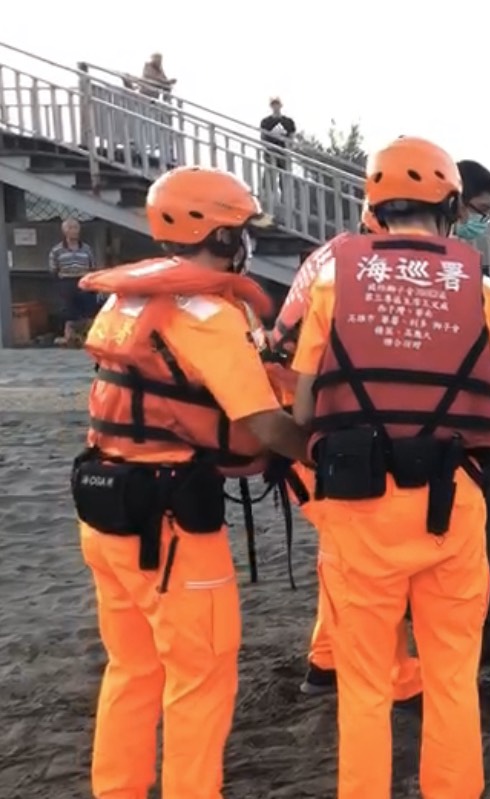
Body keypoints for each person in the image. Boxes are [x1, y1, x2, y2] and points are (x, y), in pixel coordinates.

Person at [71, 166, 309, 797]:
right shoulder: (207, 315)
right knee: (200, 678)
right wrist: (315, 452)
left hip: (105, 509)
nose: (248, 243)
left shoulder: (129, 299)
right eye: (243, 231)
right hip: (172, 526)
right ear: (223, 236)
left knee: (133, 668)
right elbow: (260, 422)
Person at [290, 135, 490, 798]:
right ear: (449, 203)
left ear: (374, 208)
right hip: (450, 502)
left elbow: (303, 409)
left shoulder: (331, 280)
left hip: (359, 508)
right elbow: (488, 390)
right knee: (451, 680)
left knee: (362, 688)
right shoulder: (483, 287)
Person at [263, 247, 425, 703]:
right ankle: (397, 679)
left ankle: (325, 661)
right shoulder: (369, 274)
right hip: (323, 439)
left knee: (343, 555)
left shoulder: (337, 259)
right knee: (372, 562)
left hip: (309, 427)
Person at [49, 217, 98, 344]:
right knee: (69, 311)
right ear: (64, 231)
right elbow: (53, 269)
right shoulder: (57, 250)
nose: (73, 231)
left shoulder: (87, 249)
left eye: (76, 228)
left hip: (84, 280)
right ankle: (69, 337)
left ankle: (89, 337)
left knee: (89, 310)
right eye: (70, 228)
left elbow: (92, 266)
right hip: (66, 281)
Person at [259, 97, 296, 188]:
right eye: (273, 104)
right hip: (271, 153)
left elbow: (292, 137)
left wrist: (288, 149)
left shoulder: (288, 121)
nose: (275, 106)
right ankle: (266, 198)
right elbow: (263, 138)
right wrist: (268, 148)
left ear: (281, 105)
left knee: (285, 181)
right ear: (271, 106)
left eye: (277, 104)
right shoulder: (266, 122)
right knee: (268, 179)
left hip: (284, 153)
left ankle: (286, 200)